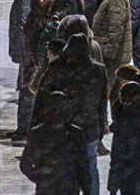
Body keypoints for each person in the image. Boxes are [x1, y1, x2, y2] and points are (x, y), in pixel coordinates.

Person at [31, 35, 107, 195]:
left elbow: (47, 100)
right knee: (90, 166)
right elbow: (101, 102)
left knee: (66, 169)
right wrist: (101, 126)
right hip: (90, 127)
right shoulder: (98, 70)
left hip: (68, 129)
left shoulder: (63, 70)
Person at [20, 90, 92, 195]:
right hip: (65, 185)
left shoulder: (39, 133)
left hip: (59, 186)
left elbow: (25, 163)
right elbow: (83, 164)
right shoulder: (75, 133)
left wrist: (40, 177)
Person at [87, 0, 133, 88]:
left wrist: (108, 53)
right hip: (111, 54)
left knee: (112, 90)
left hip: (114, 58)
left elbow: (116, 28)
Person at [8, 0, 37, 140]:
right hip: (26, 52)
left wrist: (20, 52)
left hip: (26, 53)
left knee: (26, 90)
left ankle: (24, 128)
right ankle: (23, 127)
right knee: (25, 89)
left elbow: (23, 27)